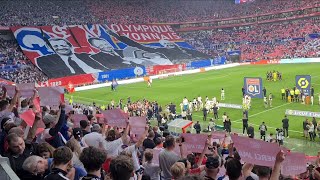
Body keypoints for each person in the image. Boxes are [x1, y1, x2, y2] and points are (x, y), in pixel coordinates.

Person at [36, 38, 106, 78]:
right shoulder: (44, 60)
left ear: (70, 46)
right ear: (51, 49)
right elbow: (55, 74)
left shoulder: (85, 55)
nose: (60, 48)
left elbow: (102, 67)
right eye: (56, 46)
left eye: (63, 45)